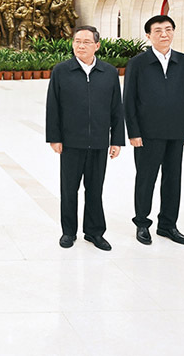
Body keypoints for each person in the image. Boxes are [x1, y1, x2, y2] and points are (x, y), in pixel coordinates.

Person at [46, 25, 124, 251]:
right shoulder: (61, 71)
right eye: (77, 41)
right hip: (71, 142)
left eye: (86, 42)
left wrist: (116, 140)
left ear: (97, 46)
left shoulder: (109, 72)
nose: (80, 46)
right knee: (69, 189)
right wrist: (54, 137)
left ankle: (94, 232)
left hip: (99, 142)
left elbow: (116, 108)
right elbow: (53, 106)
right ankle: (68, 232)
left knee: (95, 189)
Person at [123, 15, 184, 246]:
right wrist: (133, 132)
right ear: (148, 35)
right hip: (147, 134)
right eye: (158, 30)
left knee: (173, 180)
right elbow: (129, 100)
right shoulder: (137, 63)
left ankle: (167, 225)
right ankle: (142, 223)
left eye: (168, 29)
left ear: (173, 32)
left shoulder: (183, 61)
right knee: (146, 179)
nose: (164, 34)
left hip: (176, 132)